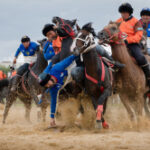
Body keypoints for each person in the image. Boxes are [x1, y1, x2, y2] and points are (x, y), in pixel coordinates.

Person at [116, 3, 150, 90]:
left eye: (125, 12)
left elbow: (139, 35)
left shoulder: (136, 23)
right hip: (120, 44)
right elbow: (112, 30)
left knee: (140, 58)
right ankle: (113, 82)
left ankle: (148, 78)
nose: (123, 14)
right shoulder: (118, 21)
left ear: (129, 13)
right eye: (122, 12)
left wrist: (128, 40)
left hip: (133, 44)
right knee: (110, 59)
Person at [38, 54, 77, 127]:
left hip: (73, 66)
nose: (48, 86)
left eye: (47, 84)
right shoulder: (53, 88)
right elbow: (53, 102)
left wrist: (78, 54)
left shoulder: (58, 68)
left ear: (50, 78)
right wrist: (52, 118)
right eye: (46, 86)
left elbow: (71, 58)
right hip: (67, 81)